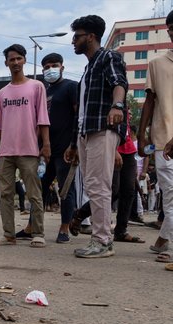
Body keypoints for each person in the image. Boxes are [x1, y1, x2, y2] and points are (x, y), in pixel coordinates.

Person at [68, 15, 128, 258]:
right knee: (93, 186)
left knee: (99, 185)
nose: (73, 41)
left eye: (77, 36)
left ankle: (103, 241)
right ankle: (100, 238)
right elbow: (82, 109)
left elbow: (119, 83)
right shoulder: (89, 67)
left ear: (90, 37)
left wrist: (117, 106)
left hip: (102, 129)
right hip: (87, 131)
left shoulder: (108, 57)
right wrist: (74, 143)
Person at [0, 44, 50, 247]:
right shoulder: (1, 94)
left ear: (24, 60)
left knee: (33, 193)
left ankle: (38, 233)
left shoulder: (36, 87)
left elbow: (43, 119)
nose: (15, 63)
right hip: (5, 151)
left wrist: (46, 144)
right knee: (5, 193)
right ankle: (8, 234)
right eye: (11, 59)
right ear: (6, 62)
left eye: (18, 59)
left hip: (29, 150)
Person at [15, 53, 78, 243]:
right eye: (47, 66)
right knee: (38, 189)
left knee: (65, 190)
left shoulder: (71, 87)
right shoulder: (44, 90)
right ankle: (31, 226)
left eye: (54, 65)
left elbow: (77, 116)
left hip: (64, 149)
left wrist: (74, 145)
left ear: (62, 67)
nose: (51, 69)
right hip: (44, 150)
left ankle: (65, 228)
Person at [138, 9, 173, 266]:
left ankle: (164, 238)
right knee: (170, 192)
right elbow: (150, 100)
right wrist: (141, 133)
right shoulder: (156, 64)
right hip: (164, 139)